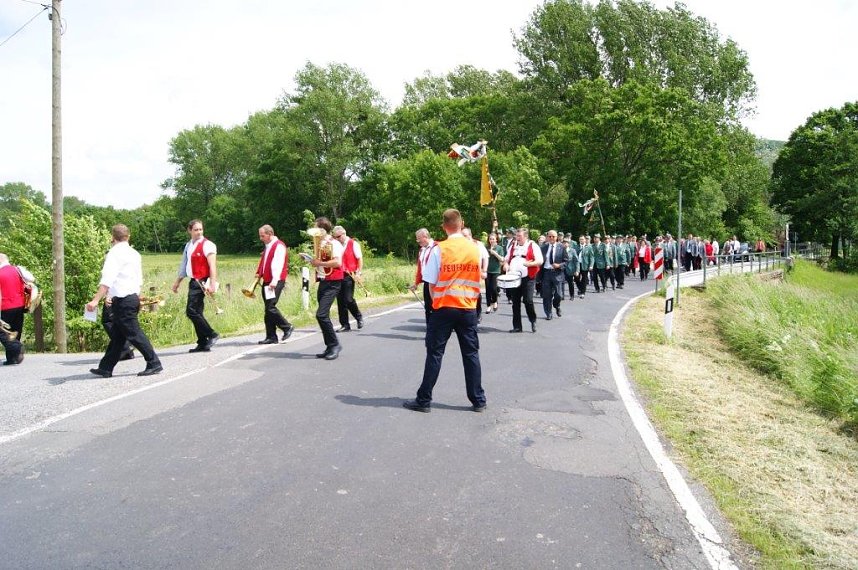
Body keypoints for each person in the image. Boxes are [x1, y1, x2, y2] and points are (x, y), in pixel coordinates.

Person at [402, 209, 485, 413]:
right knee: (471, 353)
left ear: (443, 226)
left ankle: (424, 400)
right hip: (467, 307)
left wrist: (436, 302)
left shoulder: (440, 249)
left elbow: (430, 283)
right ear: (462, 223)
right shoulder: (475, 247)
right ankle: (478, 400)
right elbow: (481, 276)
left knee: (435, 353)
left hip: (444, 307)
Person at [86, 224, 162, 378]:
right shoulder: (134, 254)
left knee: (134, 333)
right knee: (118, 336)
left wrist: (95, 300)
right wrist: (137, 296)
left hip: (123, 300)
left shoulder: (114, 254)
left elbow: (107, 279)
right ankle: (106, 367)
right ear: (129, 236)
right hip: (132, 297)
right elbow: (138, 278)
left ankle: (154, 362)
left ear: (112, 237)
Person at [172, 219, 219, 353]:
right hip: (193, 281)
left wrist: (213, 283)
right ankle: (203, 342)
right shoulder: (188, 246)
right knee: (197, 312)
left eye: (201, 229)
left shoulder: (208, 245)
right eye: (196, 230)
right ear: (189, 231)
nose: (199, 232)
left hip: (202, 281)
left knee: (191, 311)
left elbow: (212, 266)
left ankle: (212, 334)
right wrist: (177, 282)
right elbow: (184, 266)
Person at [310, 217, 344, 360]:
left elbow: (337, 262)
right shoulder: (321, 243)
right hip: (324, 281)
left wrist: (318, 262)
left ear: (323, 229)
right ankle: (329, 346)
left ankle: (335, 344)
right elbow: (322, 262)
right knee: (323, 316)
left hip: (333, 281)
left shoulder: (334, 243)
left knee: (321, 314)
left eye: (316, 229)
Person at [256, 224, 294, 344]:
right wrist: (259, 273)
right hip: (268, 280)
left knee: (271, 307)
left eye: (262, 236)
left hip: (275, 281)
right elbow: (265, 262)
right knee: (267, 309)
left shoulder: (279, 246)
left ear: (270, 234)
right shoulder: (268, 246)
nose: (261, 238)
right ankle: (271, 336)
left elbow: (277, 264)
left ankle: (287, 327)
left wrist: (273, 281)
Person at [503, 227, 543, 333]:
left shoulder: (532, 245)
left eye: (519, 236)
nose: (517, 238)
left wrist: (530, 264)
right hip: (514, 277)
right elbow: (506, 259)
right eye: (516, 236)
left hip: (528, 277)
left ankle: (533, 320)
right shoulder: (513, 246)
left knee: (528, 300)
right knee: (515, 302)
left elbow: (540, 260)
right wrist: (506, 265)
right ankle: (517, 327)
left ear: (525, 236)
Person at [0, 253, 33, 365]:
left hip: (5, 306)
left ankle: (16, 347)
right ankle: (13, 358)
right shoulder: (17, 269)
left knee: (3, 332)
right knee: (15, 331)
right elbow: (32, 279)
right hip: (20, 304)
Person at [332, 225, 364, 332]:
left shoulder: (353, 244)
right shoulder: (335, 245)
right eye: (335, 237)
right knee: (340, 301)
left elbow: (359, 259)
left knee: (348, 299)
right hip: (338, 274)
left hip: (349, 275)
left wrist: (359, 273)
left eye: (338, 237)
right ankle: (345, 324)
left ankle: (358, 317)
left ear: (344, 234)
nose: (336, 239)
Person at [461, 227, 489, 322]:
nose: (463, 238)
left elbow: (485, 257)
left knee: (476, 293)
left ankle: (477, 313)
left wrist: (484, 270)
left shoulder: (478, 244)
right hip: (462, 273)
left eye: (465, 236)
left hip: (475, 272)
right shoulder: (460, 245)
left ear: (470, 235)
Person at [408, 228, 435, 323]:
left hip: (437, 282)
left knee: (437, 306)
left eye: (419, 238)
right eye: (416, 239)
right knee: (428, 307)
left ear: (425, 236)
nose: (417, 241)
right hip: (427, 282)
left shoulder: (436, 247)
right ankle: (430, 330)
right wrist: (416, 283)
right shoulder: (421, 250)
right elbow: (420, 269)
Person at [540, 230, 568, 319]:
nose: (551, 238)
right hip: (546, 273)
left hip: (557, 273)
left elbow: (566, 261)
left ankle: (557, 306)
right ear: (547, 237)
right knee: (547, 295)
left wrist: (559, 265)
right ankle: (548, 313)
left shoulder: (561, 247)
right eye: (550, 236)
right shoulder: (543, 248)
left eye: (553, 236)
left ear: (557, 238)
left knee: (559, 295)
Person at [485, 233, 504, 314]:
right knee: (488, 289)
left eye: (493, 239)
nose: (491, 240)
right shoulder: (486, 248)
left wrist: (495, 253)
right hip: (487, 270)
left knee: (493, 288)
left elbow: (502, 259)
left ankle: (495, 301)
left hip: (496, 270)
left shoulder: (499, 248)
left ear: (496, 239)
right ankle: (488, 305)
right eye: (490, 239)